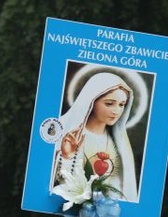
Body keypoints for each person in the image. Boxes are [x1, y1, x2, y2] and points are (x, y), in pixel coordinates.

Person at [52, 72, 138, 202]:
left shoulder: (118, 142)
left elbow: (121, 187)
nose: (116, 111)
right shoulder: (68, 135)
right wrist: (67, 157)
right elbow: (58, 181)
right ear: (91, 101)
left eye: (122, 105)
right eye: (109, 103)